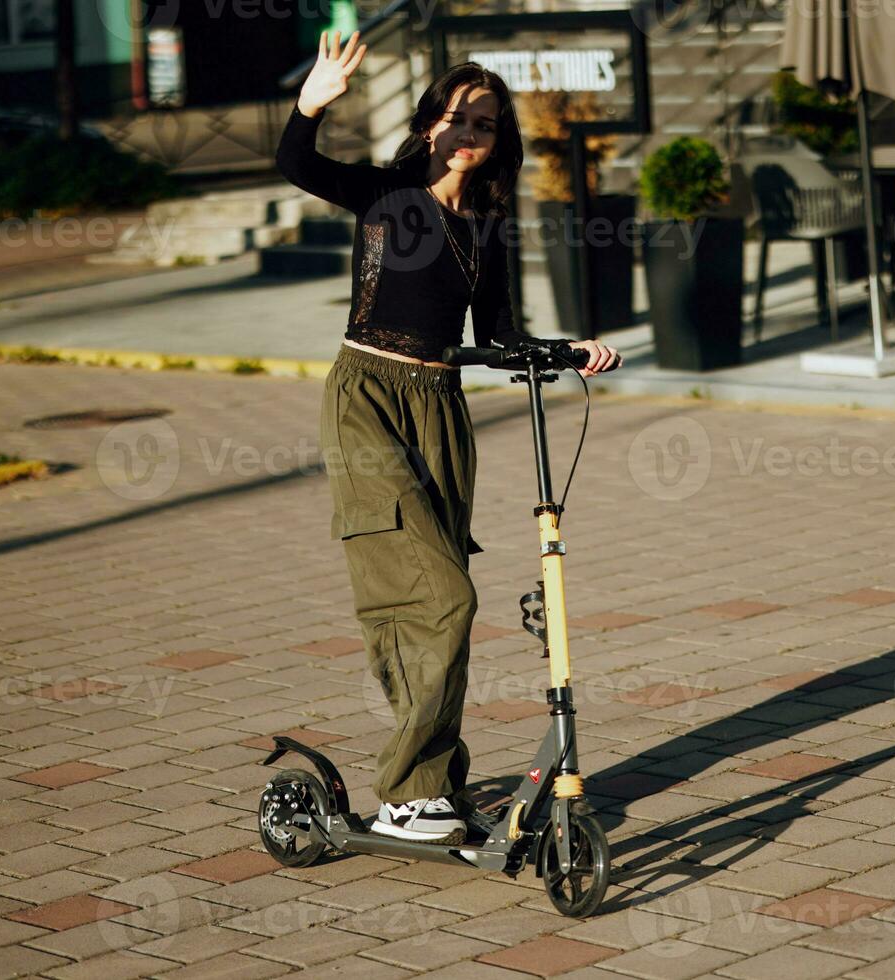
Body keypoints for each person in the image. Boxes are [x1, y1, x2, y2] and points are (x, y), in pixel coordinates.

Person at [277, 30, 621, 844]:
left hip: (441, 407)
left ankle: (432, 784)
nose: (471, 135)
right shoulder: (388, 192)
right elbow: (300, 166)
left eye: (487, 125)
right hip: (367, 398)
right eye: (460, 118)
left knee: (429, 605)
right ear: (431, 122)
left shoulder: (486, 224)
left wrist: (567, 351)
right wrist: (310, 106)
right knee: (442, 598)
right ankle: (404, 794)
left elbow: (500, 332)